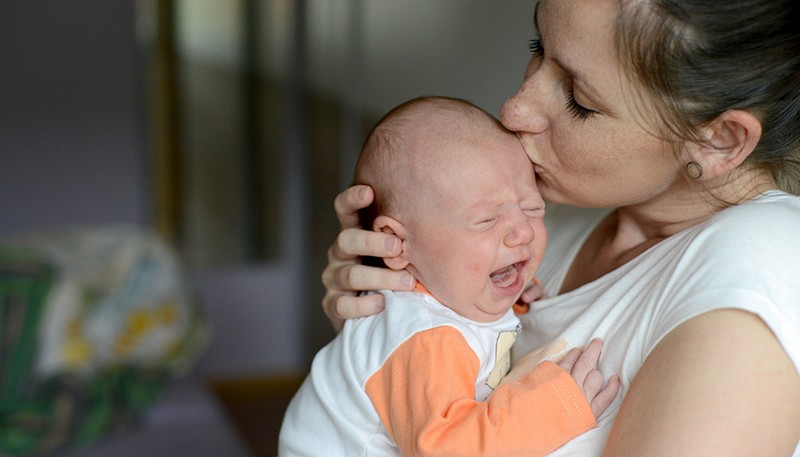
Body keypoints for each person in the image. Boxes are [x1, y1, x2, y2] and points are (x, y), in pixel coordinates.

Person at [320, 1, 800, 456]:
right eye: (538, 50)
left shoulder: (761, 263)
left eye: (578, 98)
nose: (513, 109)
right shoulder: (551, 212)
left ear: (718, 139)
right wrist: (389, 321)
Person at [279, 96, 620, 457]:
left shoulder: (449, 290)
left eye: (533, 209)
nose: (523, 232)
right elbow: (447, 449)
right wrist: (554, 408)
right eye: (486, 220)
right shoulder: (424, 337)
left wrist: (512, 297)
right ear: (397, 243)